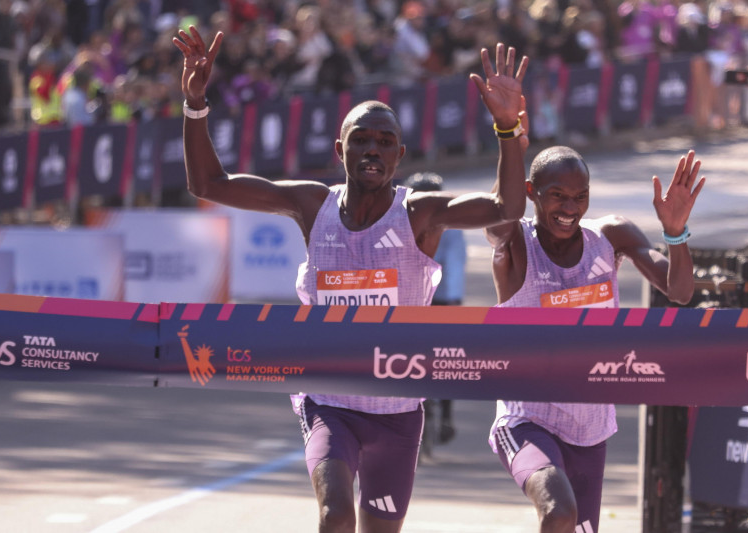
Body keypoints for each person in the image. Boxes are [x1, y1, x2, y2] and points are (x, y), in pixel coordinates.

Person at [173, 26, 529, 533]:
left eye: (385, 143)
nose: (372, 150)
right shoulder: (311, 204)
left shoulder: (419, 214)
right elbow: (208, 184)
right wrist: (195, 104)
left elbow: (505, 208)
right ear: (340, 150)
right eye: (361, 140)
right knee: (335, 516)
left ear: (400, 156)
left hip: (397, 409)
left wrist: (507, 129)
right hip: (329, 399)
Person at [485, 143, 705, 533]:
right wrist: (510, 142)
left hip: (589, 429)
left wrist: (675, 233)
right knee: (558, 513)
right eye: (558, 196)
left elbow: (680, 291)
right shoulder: (517, 244)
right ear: (532, 192)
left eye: (580, 196)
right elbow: (497, 218)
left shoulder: (609, 235)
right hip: (527, 420)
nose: (570, 208)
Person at [403, 171, 467, 457]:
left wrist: (450, 302)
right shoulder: (403, 221)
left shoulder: (448, 226)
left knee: (444, 358)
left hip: (437, 298)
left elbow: (453, 265)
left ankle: (445, 417)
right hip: (426, 298)